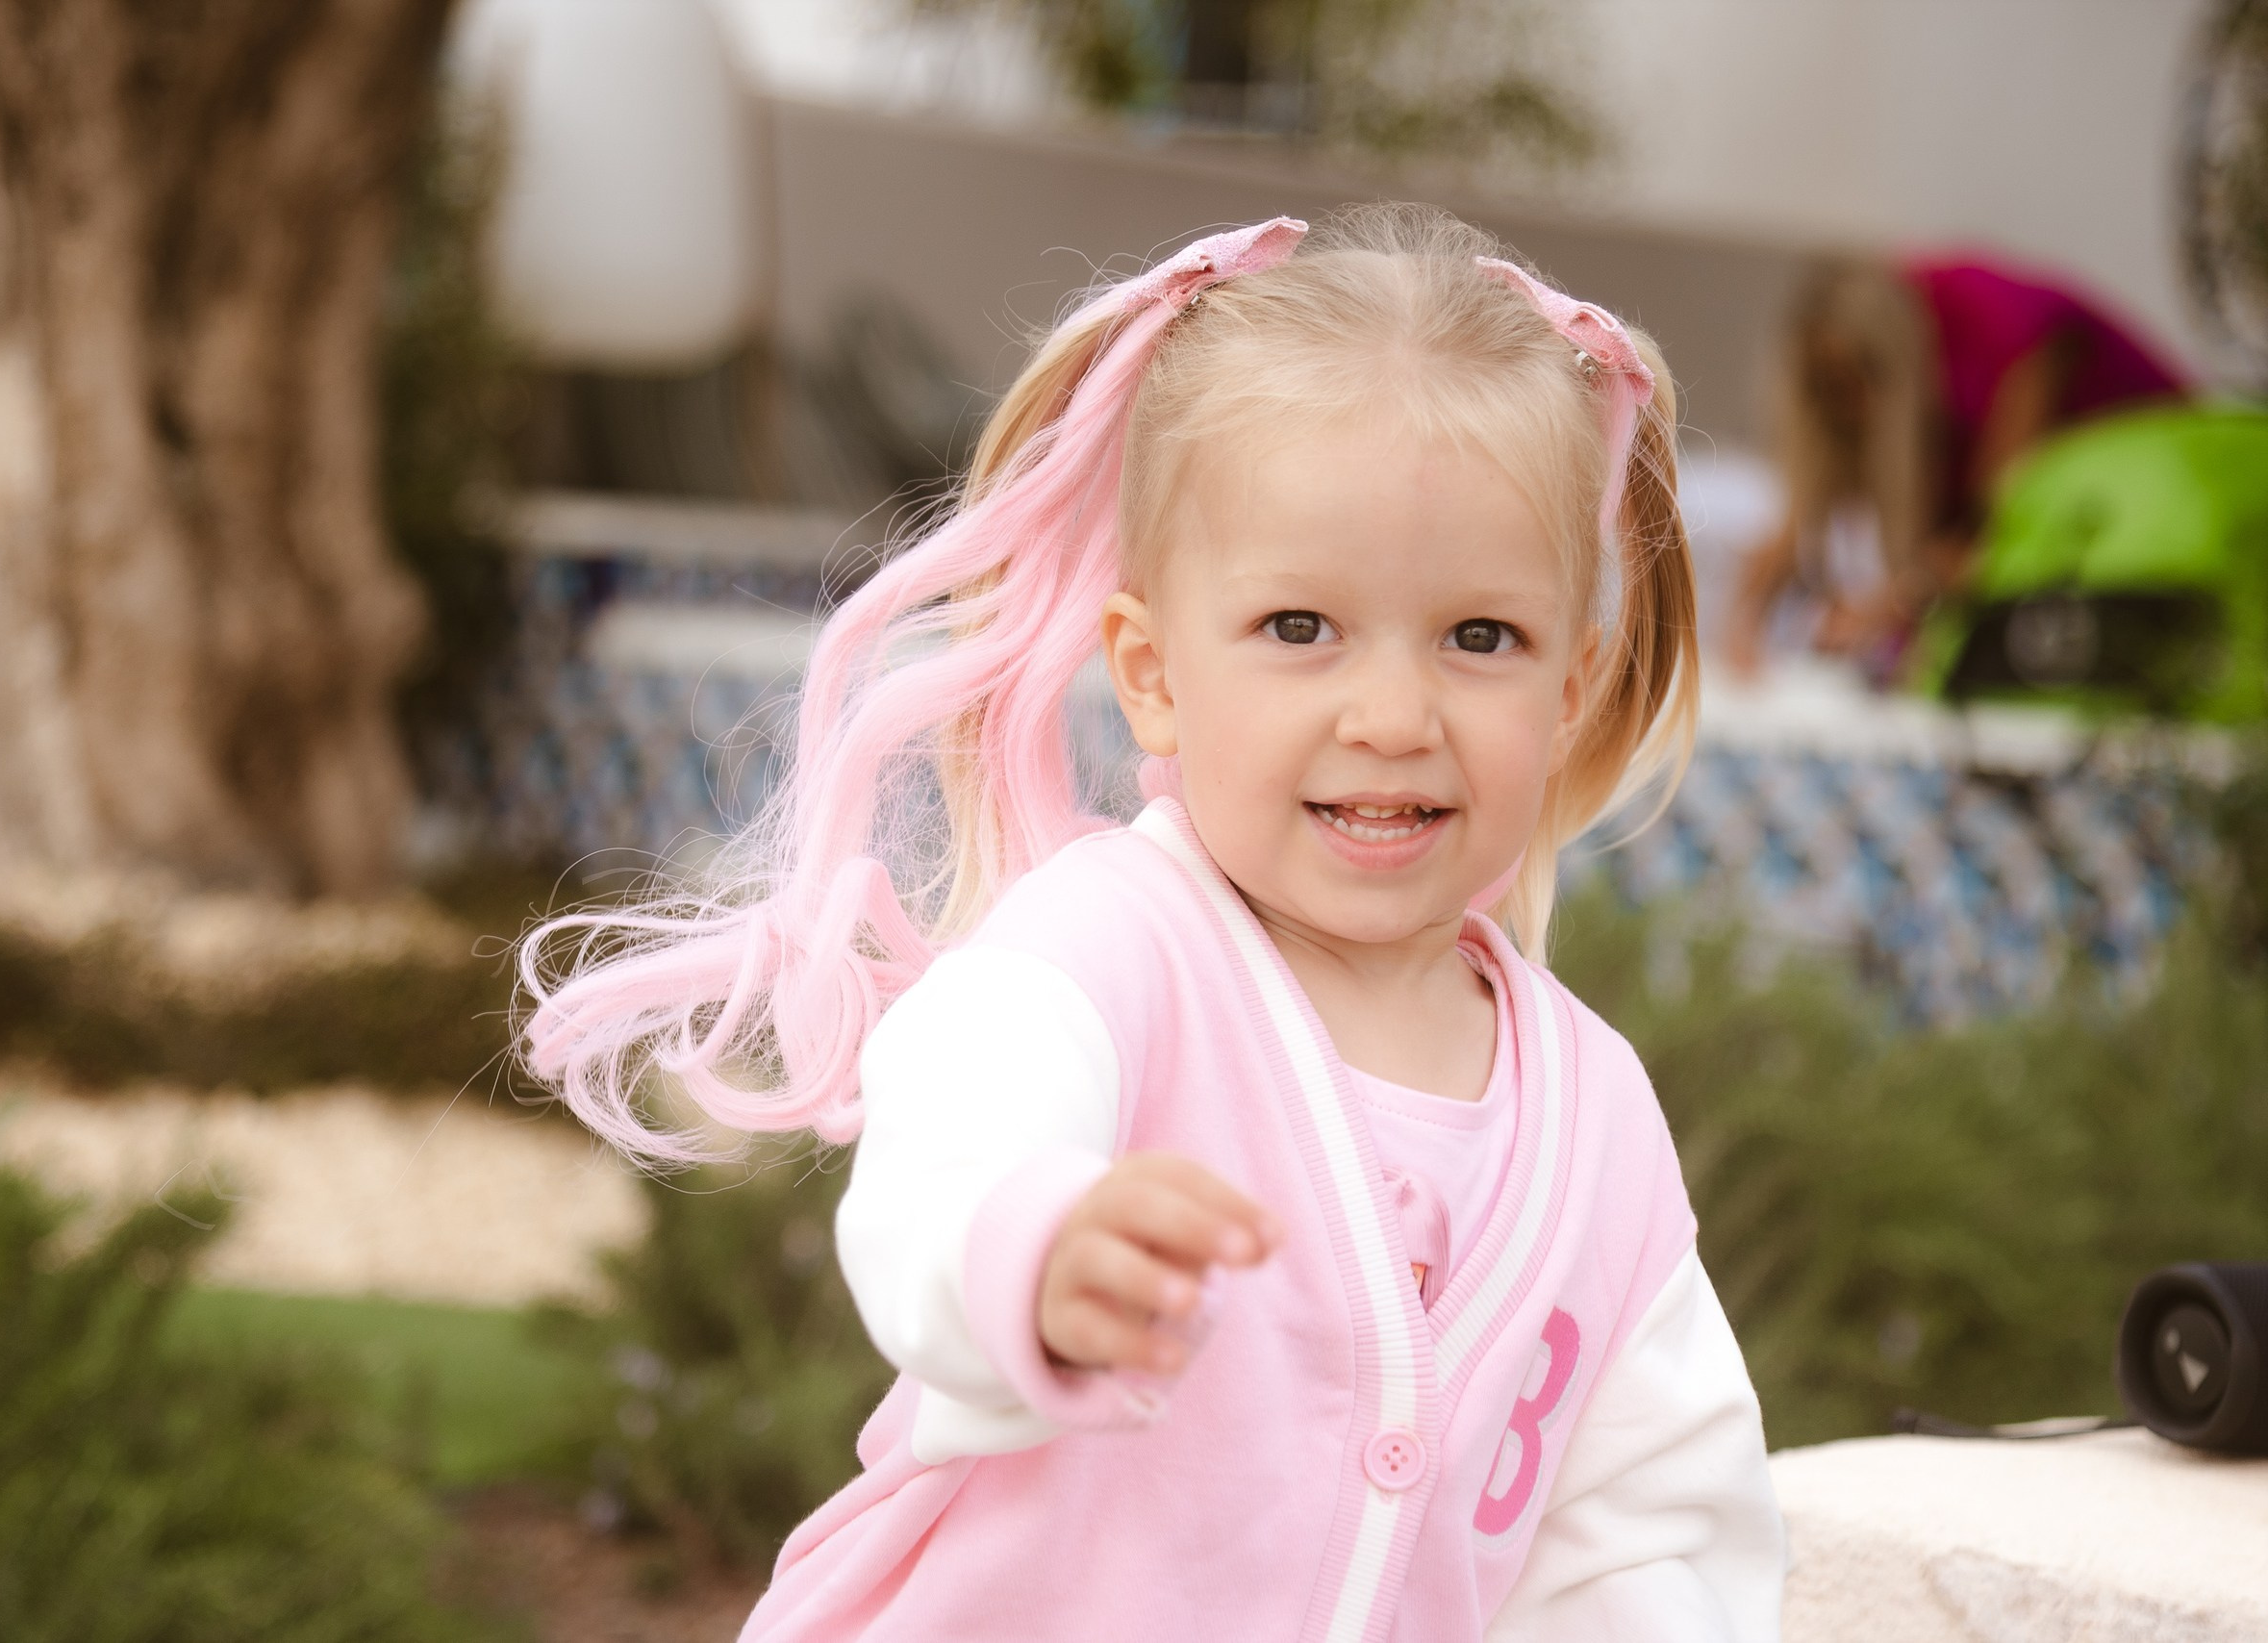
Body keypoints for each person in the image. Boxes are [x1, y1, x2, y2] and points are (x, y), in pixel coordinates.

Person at [524, 207, 1786, 1640]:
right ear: (1153, 673)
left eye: (1478, 638)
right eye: (1300, 628)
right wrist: (1032, 1244)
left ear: (1571, 686)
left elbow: (1648, 1531)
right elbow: (950, 1144)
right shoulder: (1107, 954)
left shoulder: (1596, 1123)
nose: (1391, 718)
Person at [1726, 253, 2191, 678]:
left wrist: (1881, 609)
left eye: (1854, 388)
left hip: (2172, 480)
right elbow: (1809, 495)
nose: (1852, 414)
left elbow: (1989, 534)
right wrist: (1745, 617)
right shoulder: (1882, 348)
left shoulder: (2002, 337)